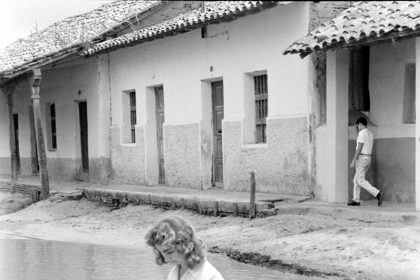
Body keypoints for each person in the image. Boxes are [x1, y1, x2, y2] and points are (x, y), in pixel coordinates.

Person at [145, 216, 225, 280]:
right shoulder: (175, 272)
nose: (166, 259)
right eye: (161, 253)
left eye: (169, 252)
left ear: (186, 245)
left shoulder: (210, 277)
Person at [348, 117, 384, 207]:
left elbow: (359, 148)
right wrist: (357, 133)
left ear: (360, 124)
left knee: (360, 181)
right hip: (368, 158)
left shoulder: (361, 134)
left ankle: (378, 193)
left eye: (357, 126)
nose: (357, 127)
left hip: (362, 158)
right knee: (356, 180)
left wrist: (353, 161)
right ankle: (356, 200)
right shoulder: (370, 133)